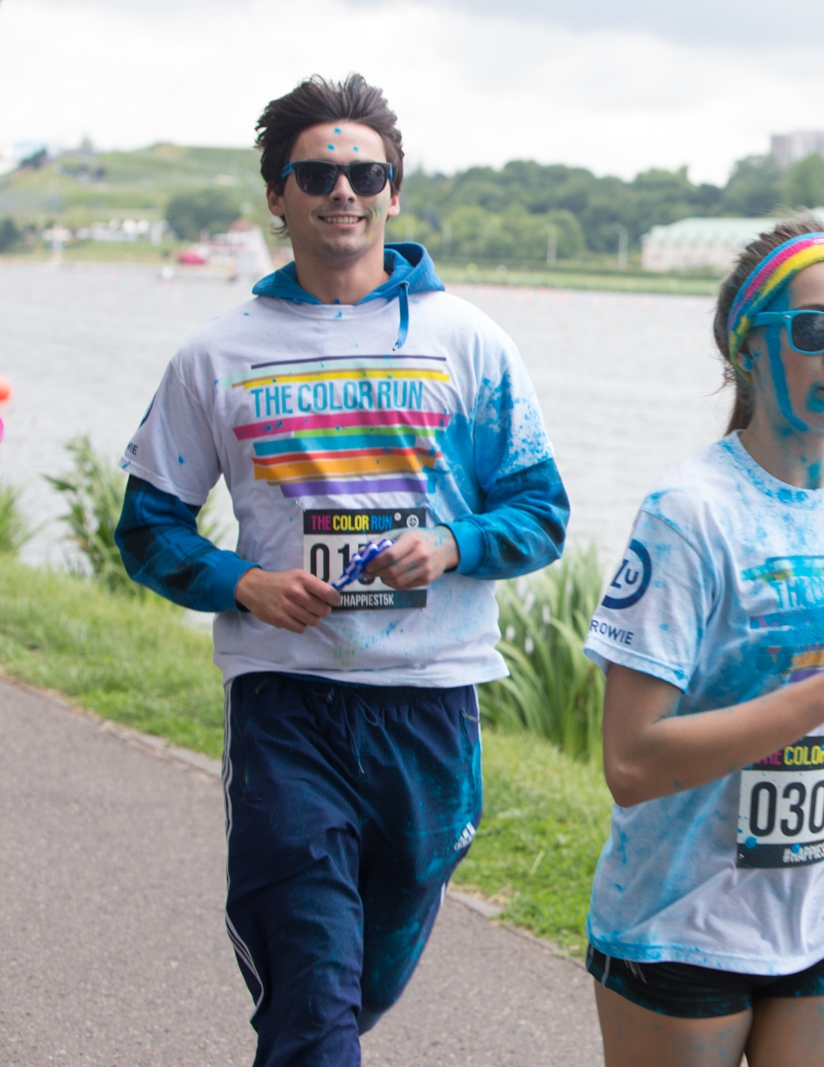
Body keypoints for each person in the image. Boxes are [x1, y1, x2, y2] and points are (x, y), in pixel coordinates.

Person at [113, 74, 569, 1063]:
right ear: (276, 194)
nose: (342, 189)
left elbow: (542, 515)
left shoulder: (469, 343)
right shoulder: (217, 356)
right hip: (289, 706)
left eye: (366, 171)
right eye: (315, 172)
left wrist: (451, 544)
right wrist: (243, 582)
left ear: (393, 190)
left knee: (354, 983)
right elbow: (147, 527)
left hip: (431, 704)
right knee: (311, 990)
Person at [581, 218, 824, 1067]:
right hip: (681, 923)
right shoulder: (690, 513)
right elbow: (633, 760)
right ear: (748, 351)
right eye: (812, 329)